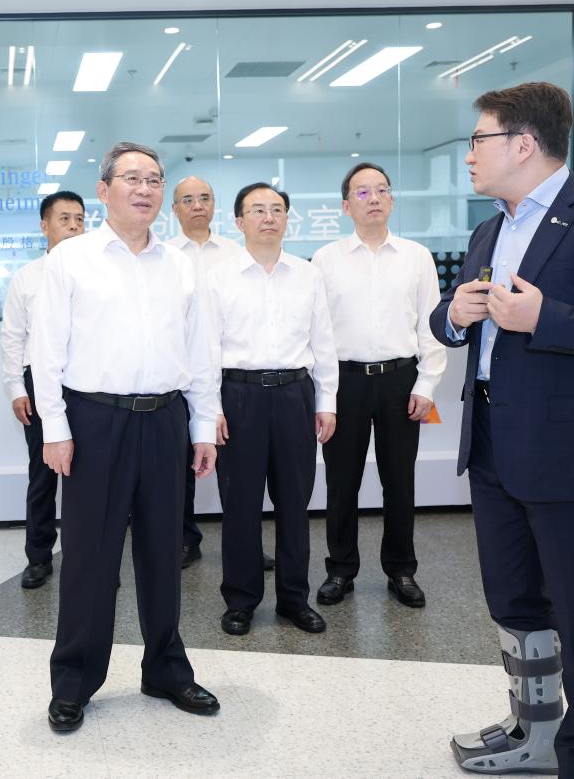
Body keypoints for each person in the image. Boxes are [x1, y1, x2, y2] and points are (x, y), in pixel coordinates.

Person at [430, 82, 574, 778]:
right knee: (514, 599)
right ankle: (535, 728)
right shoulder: (489, 229)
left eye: (477, 139)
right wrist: (454, 315)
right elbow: (451, 320)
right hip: (494, 443)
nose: (468, 155)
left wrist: (546, 318)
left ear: (522, 144)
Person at [31, 142, 220, 732]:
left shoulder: (180, 264)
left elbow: (201, 351)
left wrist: (202, 425)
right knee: (90, 557)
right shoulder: (71, 259)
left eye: (154, 180)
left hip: (164, 418)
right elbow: (45, 350)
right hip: (95, 421)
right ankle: (74, 680)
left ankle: (165, 669)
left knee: (164, 551)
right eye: (132, 178)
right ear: (104, 189)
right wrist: (55, 428)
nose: (145, 189)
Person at [311, 163, 446, 608]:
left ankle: (401, 570)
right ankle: (340, 569)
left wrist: (426, 384)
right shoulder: (325, 260)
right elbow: (318, 333)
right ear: (345, 205)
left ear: (391, 199)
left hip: (400, 381)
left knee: (399, 481)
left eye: (382, 190)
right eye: (363, 192)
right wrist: (323, 395)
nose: (374, 198)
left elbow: (430, 326)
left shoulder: (416, 256)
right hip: (345, 381)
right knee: (341, 483)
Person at [206, 182, 338, 637]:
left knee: (294, 504)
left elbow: (324, 343)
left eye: (277, 209)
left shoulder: (307, 274)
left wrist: (326, 402)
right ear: (239, 221)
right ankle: (240, 601)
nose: (268, 217)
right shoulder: (218, 277)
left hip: (294, 395)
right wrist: (210, 408)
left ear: (286, 219)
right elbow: (206, 349)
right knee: (240, 504)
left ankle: (294, 599)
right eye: (258, 210)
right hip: (237, 396)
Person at [168, 177, 277, 571]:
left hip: (225, 376)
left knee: (240, 472)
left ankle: (247, 547)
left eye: (205, 198)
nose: (197, 206)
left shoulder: (238, 252)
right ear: (174, 210)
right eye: (188, 200)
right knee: (180, 464)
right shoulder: (164, 256)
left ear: (215, 205)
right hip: (177, 374)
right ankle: (184, 539)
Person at [1, 190, 84, 589]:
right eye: (64, 219)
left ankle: (89, 559)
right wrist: (16, 388)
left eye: (79, 219)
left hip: (87, 384)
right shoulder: (27, 277)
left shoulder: (97, 273)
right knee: (43, 472)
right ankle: (38, 557)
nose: (73, 226)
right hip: (40, 382)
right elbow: (13, 337)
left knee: (89, 477)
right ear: (45, 226)